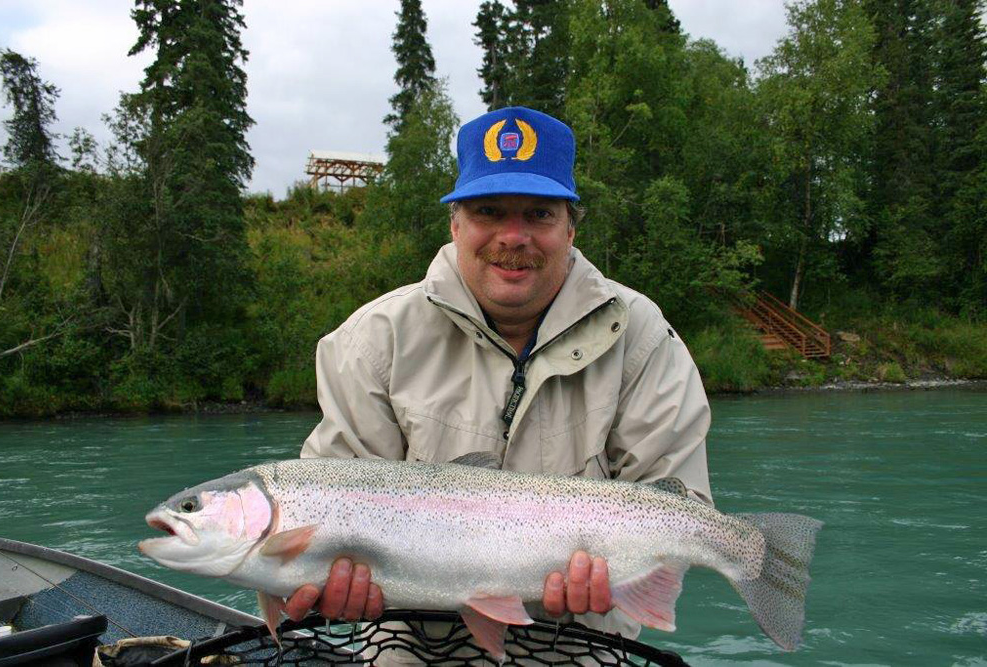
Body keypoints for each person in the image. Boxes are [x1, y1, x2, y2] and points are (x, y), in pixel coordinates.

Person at [286, 106, 712, 647]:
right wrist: (326, 583)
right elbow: (329, 499)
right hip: (411, 648)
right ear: (455, 224)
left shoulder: (642, 335)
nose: (513, 236)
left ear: (570, 228)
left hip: (587, 647)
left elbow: (683, 509)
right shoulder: (371, 341)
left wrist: (629, 574)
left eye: (539, 214)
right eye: (489, 211)